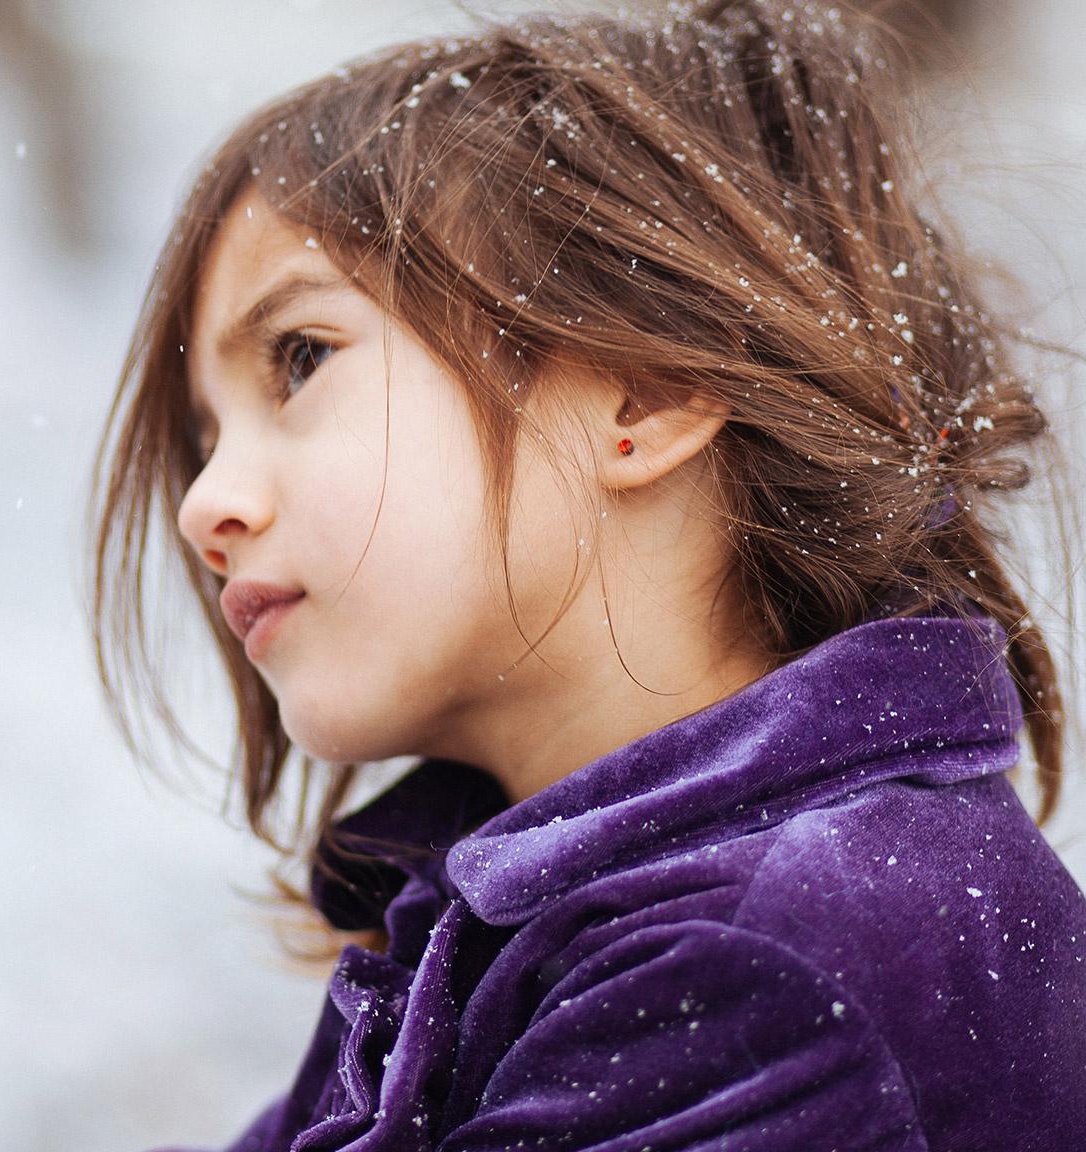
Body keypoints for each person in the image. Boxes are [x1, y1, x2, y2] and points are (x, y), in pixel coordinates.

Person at [87, 0, 1086, 1147]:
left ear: (644, 389)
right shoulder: (520, 937)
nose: (204, 504)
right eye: (206, 440)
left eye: (300, 359)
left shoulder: (779, 955)